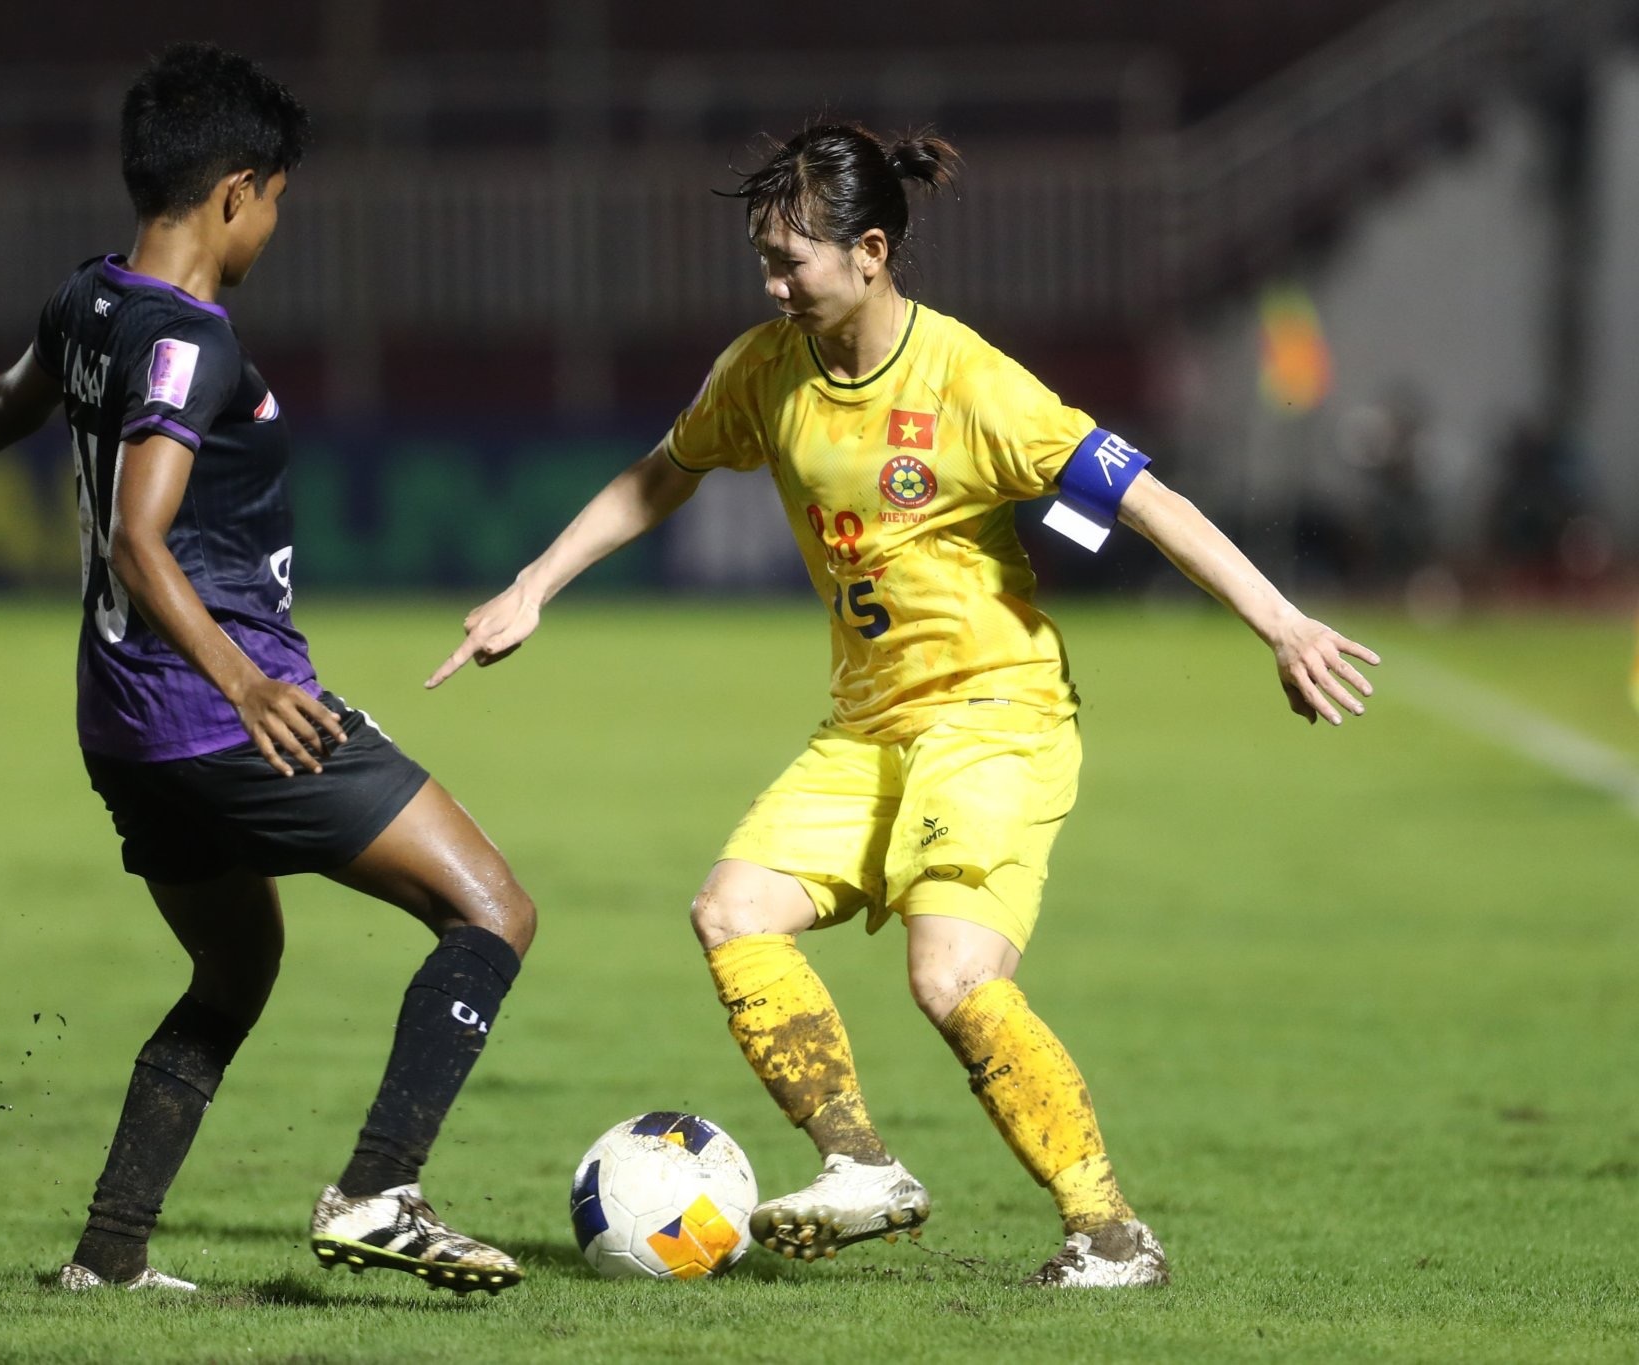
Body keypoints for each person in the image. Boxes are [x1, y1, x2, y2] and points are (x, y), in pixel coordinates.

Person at [430, 124, 1380, 1288]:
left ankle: (1110, 1234)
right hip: (866, 725)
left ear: (870, 250)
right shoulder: (762, 368)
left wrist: (1279, 622)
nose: (771, 286)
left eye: (791, 262)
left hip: (995, 716)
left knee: (949, 976)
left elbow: (1145, 500)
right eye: (761, 261)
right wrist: (532, 584)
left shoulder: (970, 383)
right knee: (732, 910)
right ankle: (860, 1166)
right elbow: (659, 473)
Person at [0, 43, 533, 1296]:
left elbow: (22, 388)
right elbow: (141, 537)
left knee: (235, 968)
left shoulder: (89, 295)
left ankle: (108, 1254)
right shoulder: (189, 343)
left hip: (123, 727)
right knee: (492, 912)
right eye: (277, 202)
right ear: (234, 193)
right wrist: (247, 684)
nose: (273, 226)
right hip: (221, 713)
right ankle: (377, 1193)